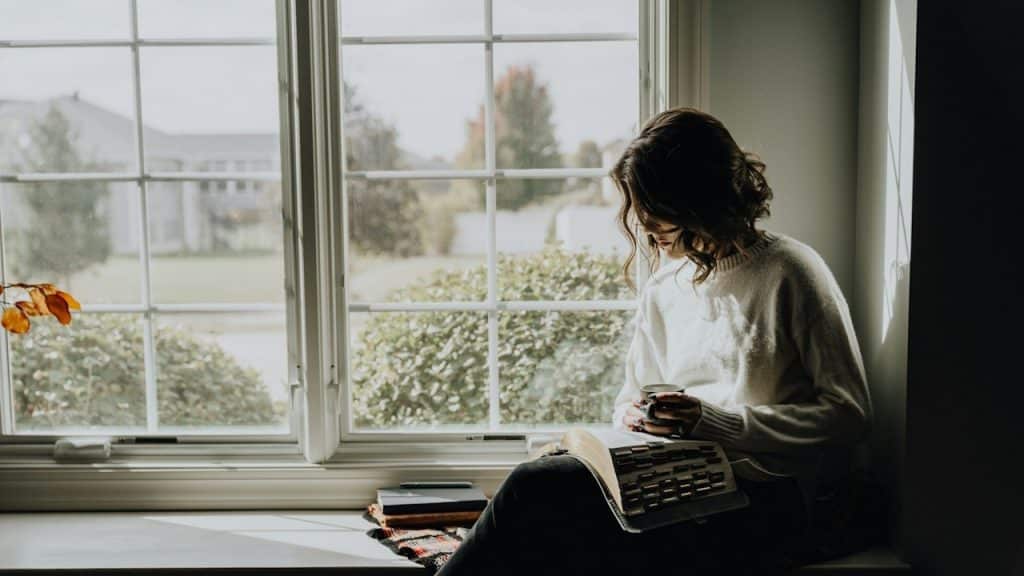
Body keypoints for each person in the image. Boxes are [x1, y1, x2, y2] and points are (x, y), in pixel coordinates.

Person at [437, 108, 872, 576]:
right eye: (637, 206)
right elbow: (630, 395)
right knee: (546, 504)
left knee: (537, 490)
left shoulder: (792, 273)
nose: (642, 223)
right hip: (673, 486)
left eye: (653, 207)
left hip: (767, 498)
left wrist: (714, 423)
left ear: (697, 199)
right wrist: (637, 416)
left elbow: (849, 415)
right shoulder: (666, 286)